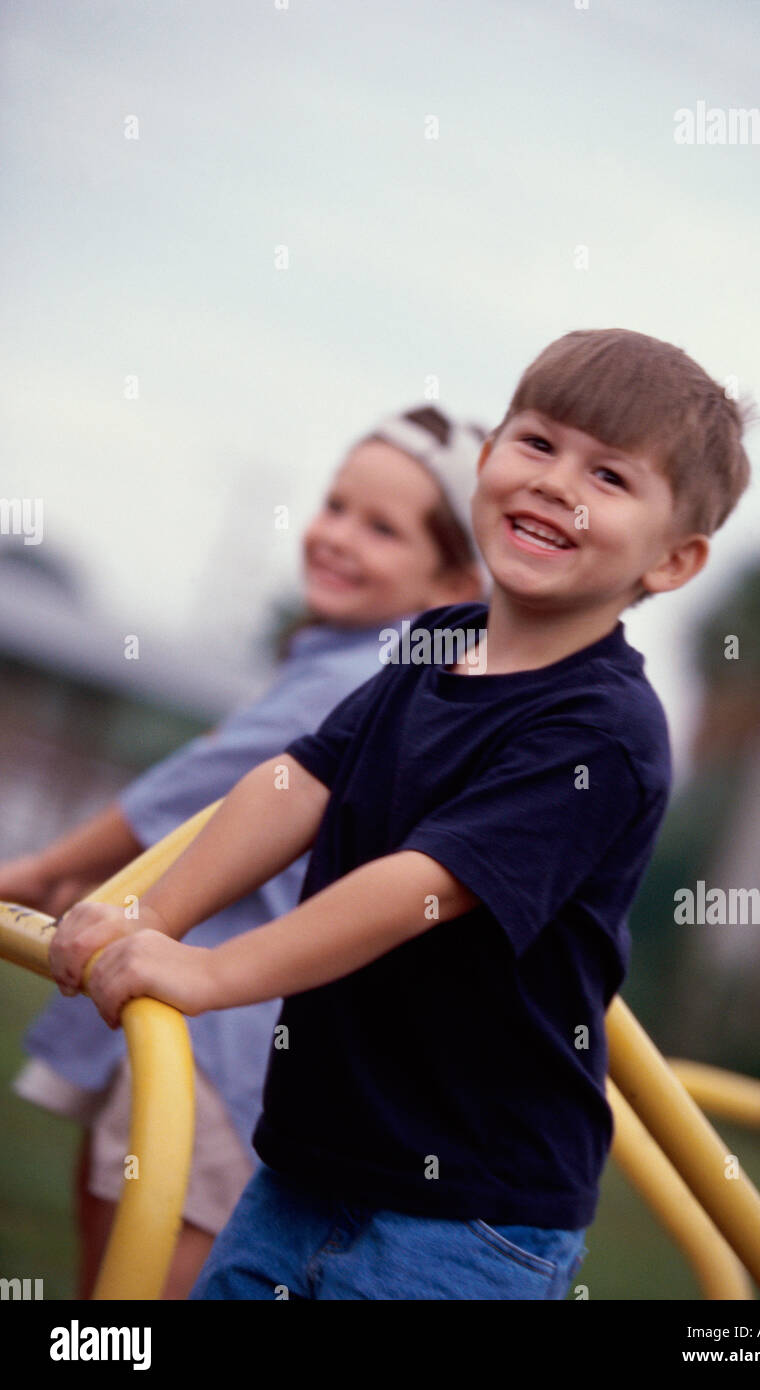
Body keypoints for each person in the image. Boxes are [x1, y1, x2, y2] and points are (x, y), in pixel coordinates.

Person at [48, 328, 755, 1300]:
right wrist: (151, 915)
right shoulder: (433, 641)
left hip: (464, 1218)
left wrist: (213, 971)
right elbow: (298, 780)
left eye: (610, 475)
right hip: (304, 1162)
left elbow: (422, 889)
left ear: (674, 561)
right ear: (488, 458)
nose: (557, 483)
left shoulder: (603, 730)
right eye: (539, 443)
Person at [2, 403, 487, 1298]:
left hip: (220, 1042)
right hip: (184, 1008)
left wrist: (38, 869)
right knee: (108, 1264)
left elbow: (200, 782)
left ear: (452, 576)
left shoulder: (365, 673)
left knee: (139, 1277)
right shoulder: (347, 659)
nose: (337, 537)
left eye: (380, 528)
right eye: (336, 506)